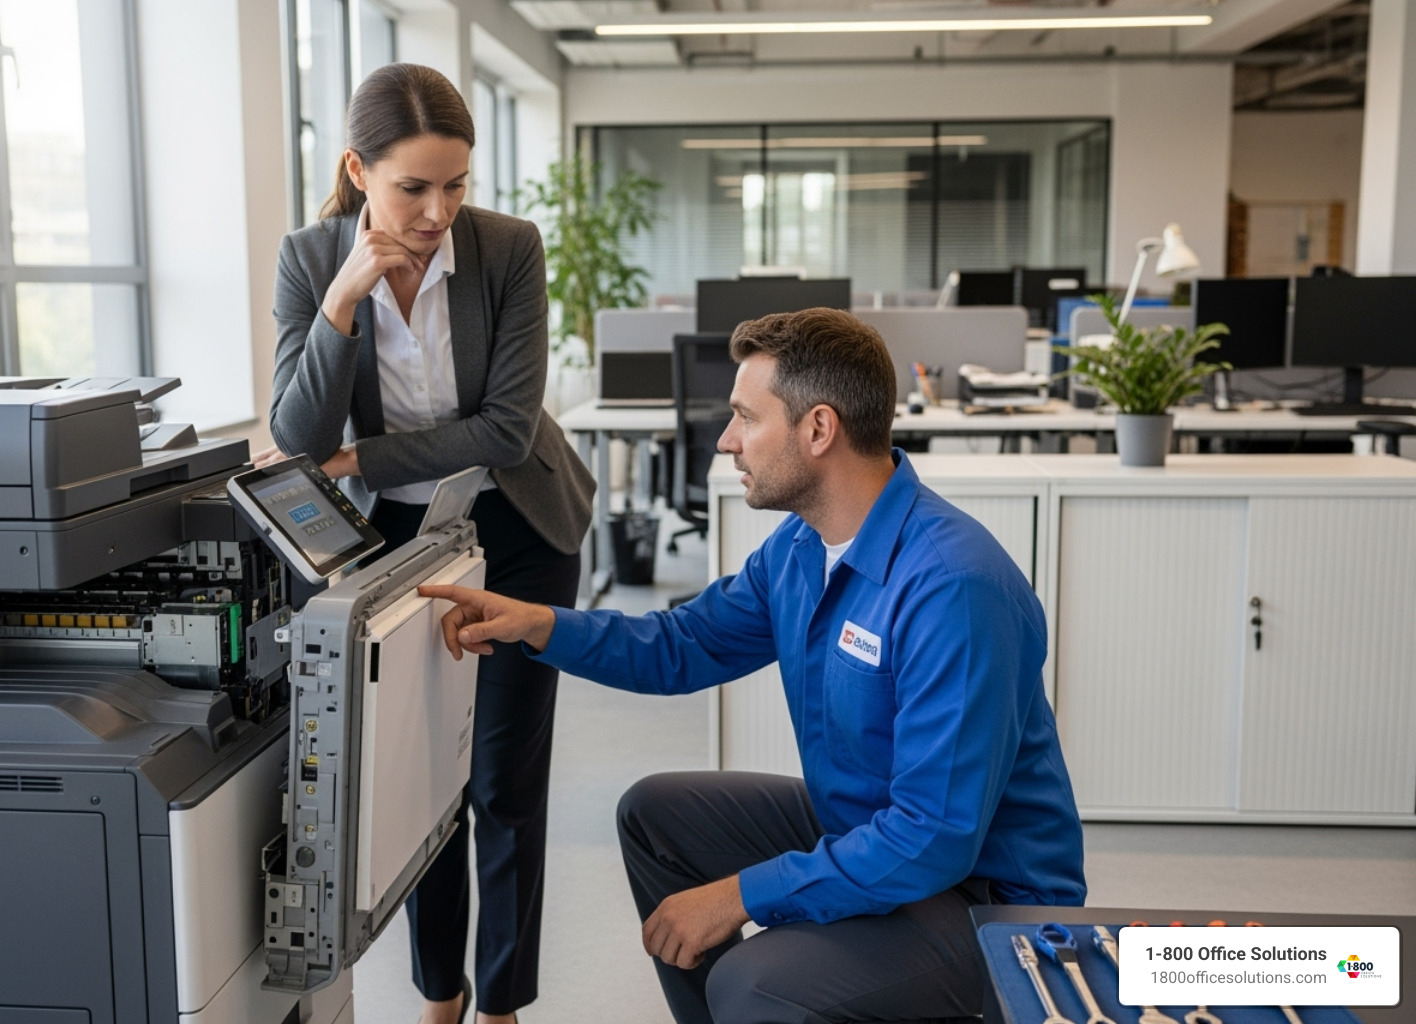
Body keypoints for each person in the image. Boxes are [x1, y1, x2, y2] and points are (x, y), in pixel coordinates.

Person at [419, 307, 1086, 1024]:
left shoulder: (953, 586)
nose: (728, 440)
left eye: (745, 417)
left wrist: (739, 895)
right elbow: (684, 645)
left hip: (986, 908)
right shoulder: (800, 550)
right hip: (866, 831)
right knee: (657, 815)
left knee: (754, 981)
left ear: (819, 429)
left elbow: (930, 839)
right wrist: (541, 625)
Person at [266, 63, 594, 1024]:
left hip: (520, 529)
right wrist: (343, 302)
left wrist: (359, 452)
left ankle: (500, 1004)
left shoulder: (509, 249)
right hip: (399, 542)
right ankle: (438, 994)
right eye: (415, 186)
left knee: (502, 780)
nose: (439, 209)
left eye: (456, 184)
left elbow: (505, 429)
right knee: (426, 787)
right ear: (358, 170)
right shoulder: (309, 256)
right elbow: (294, 435)